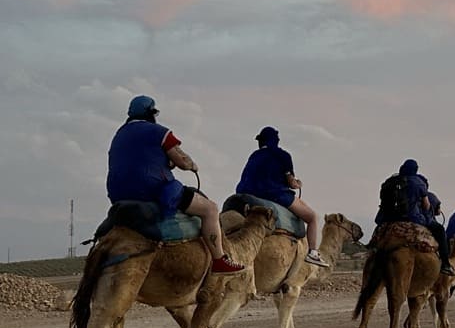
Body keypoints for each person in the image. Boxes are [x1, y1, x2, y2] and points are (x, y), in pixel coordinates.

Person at [106, 95, 244, 274]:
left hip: (118, 194)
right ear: (152, 113)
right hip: (151, 189)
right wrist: (192, 165)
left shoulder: (119, 134)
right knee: (210, 209)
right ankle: (219, 260)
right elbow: (182, 161)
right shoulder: (159, 132)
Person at [236, 127, 327, 267]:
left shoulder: (254, 155)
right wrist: (297, 184)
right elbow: (291, 183)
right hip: (273, 194)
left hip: (244, 192)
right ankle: (313, 253)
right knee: (312, 217)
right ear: (276, 141)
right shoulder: (283, 156)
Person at [376, 159, 455, 276]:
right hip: (413, 218)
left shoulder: (391, 181)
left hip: (388, 219)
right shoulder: (418, 182)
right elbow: (427, 205)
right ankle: (445, 264)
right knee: (440, 230)